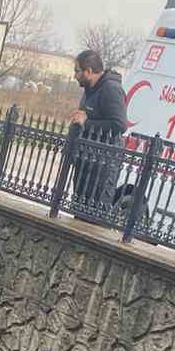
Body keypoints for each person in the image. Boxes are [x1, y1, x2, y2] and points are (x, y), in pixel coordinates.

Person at [70, 49, 128, 224]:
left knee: (92, 218)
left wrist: (86, 122)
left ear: (88, 71)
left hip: (102, 166)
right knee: (79, 212)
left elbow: (119, 125)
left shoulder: (111, 89)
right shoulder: (90, 89)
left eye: (77, 71)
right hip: (86, 161)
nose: (74, 76)